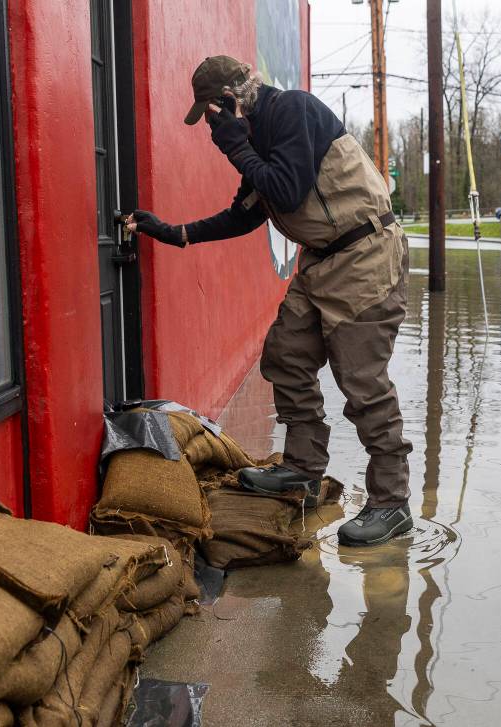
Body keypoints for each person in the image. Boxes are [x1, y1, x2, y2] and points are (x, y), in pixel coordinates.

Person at [128, 56, 412, 546]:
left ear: (230, 103)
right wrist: (173, 233)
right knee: (286, 355)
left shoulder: (293, 112)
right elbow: (246, 212)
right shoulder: (259, 139)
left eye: (213, 115)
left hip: (365, 255)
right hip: (321, 260)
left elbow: (286, 185)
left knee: (362, 381)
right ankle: (303, 469)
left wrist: (236, 147)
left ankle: (392, 502)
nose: (212, 128)